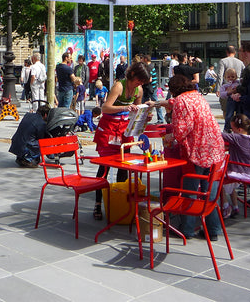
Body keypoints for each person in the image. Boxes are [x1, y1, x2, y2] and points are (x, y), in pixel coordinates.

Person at [163, 74, 225, 241]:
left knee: (189, 189)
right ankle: (213, 230)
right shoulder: (197, 97)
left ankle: (188, 229)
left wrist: (173, 136)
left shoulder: (181, 101)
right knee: (209, 194)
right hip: (214, 147)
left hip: (197, 150)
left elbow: (182, 128)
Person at [92, 61, 151, 221]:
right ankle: (98, 202)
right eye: (139, 80)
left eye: (142, 82)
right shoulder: (119, 86)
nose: (140, 84)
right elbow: (105, 108)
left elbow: (136, 112)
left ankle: (121, 203)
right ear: (133, 75)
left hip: (125, 130)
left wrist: (144, 116)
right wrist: (124, 108)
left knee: (124, 166)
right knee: (104, 168)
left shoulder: (139, 89)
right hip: (110, 129)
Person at [221, 113, 250, 219]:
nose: (231, 131)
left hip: (238, 170)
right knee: (231, 185)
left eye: (233, 129)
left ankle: (225, 206)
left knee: (218, 181)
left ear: (240, 129)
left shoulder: (237, 138)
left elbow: (220, 135)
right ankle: (235, 206)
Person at [216, 45, 244, 118]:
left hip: (226, 89)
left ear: (227, 52)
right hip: (237, 89)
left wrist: (218, 89)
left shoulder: (223, 61)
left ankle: (228, 126)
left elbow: (220, 75)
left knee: (226, 110)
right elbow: (243, 76)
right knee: (237, 110)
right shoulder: (240, 62)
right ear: (235, 52)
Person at [142, 54, 165, 124]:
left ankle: (160, 119)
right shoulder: (152, 65)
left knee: (155, 103)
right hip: (152, 87)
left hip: (150, 88)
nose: (142, 60)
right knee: (145, 103)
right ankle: (143, 118)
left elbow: (150, 79)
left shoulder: (148, 67)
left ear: (145, 59)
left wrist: (142, 82)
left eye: (142, 59)